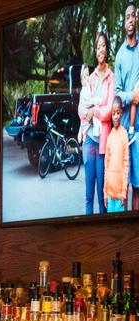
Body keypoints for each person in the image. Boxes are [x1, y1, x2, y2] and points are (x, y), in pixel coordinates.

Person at [79, 32, 115, 215]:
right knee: (88, 195)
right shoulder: (91, 78)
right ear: (95, 50)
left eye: (103, 46)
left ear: (107, 49)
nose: (100, 49)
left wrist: (95, 112)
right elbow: (82, 107)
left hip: (102, 143)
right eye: (98, 46)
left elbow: (109, 111)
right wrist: (86, 113)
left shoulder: (111, 77)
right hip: (89, 141)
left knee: (102, 195)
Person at [115, 2, 139, 209]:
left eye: (133, 15)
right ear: (124, 23)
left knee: (138, 187)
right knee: (123, 188)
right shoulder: (120, 55)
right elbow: (117, 94)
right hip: (124, 129)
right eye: (127, 17)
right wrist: (133, 96)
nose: (130, 19)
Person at [105, 97, 130, 213]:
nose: (115, 116)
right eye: (113, 113)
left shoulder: (124, 134)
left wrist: (124, 192)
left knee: (120, 223)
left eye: (118, 113)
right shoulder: (109, 137)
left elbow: (126, 166)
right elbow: (106, 166)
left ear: (121, 113)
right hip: (110, 194)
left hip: (120, 195)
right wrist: (105, 193)